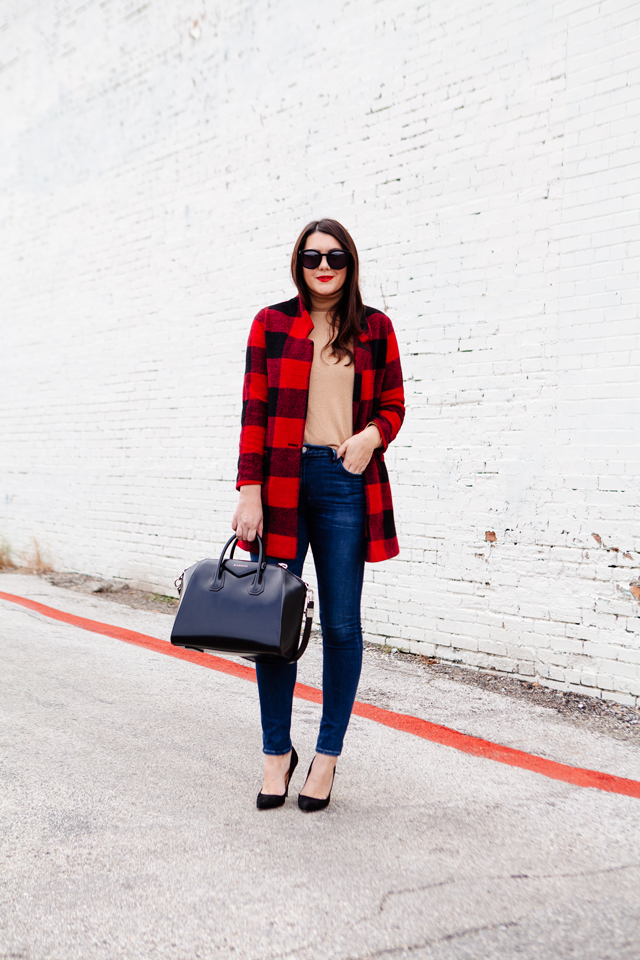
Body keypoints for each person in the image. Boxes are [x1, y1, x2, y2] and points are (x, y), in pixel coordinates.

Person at [232, 218, 404, 812]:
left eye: (335, 257)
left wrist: (371, 437)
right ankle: (276, 754)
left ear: (350, 263)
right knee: (273, 627)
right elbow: (254, 412)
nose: (323, 266)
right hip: (279, 482)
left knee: (341, 627)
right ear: (298, 264)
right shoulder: (272, 323)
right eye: (312, 257)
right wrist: (248, 490)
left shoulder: (375, 328)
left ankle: (326, 758)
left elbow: (394, 404)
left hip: (343, 481)